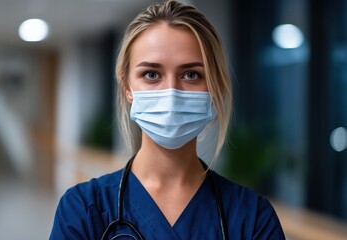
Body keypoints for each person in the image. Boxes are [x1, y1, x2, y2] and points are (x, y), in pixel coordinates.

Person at [50, 1, 285, 239]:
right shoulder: (83, 210)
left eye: (191, 74)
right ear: (127, 88)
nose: (171, 92)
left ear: (215, 87)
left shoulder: (253, 218)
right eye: (151, 74)